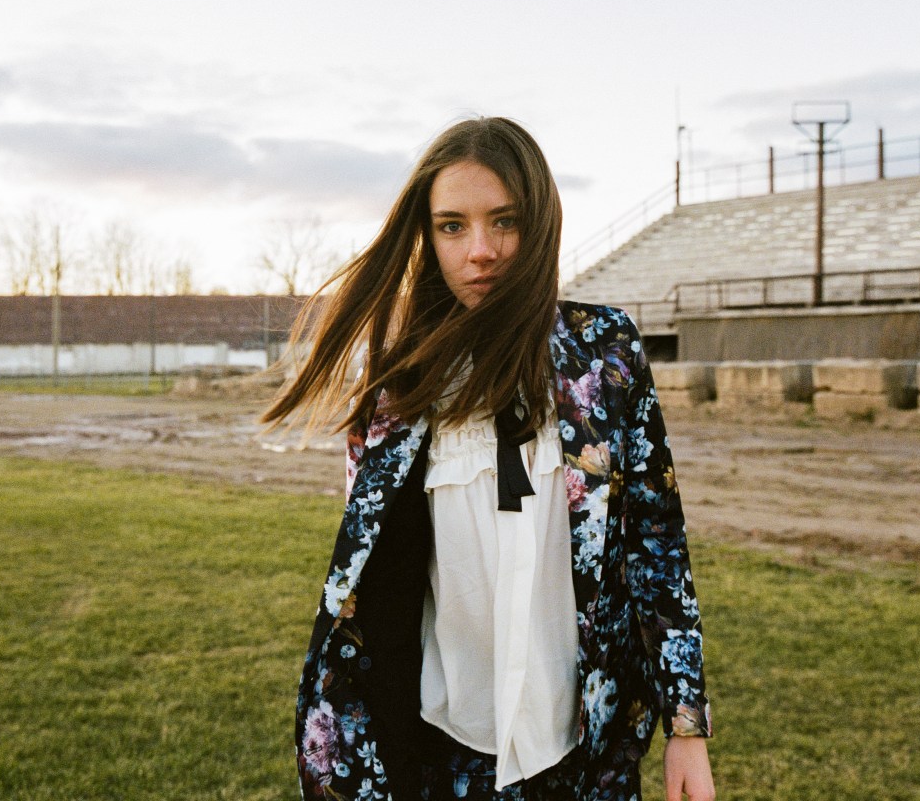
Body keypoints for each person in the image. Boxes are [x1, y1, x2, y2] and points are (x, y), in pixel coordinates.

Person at [264, 117, 714, 801]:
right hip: (443, 751)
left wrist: (687, 730)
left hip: (579, 753)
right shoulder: (399, 381)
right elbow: (378, 578)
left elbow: (656, 544)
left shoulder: (607, 352)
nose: (480, 251)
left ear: (541, 222)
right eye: (452, 226)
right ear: (427, 235)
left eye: (503, 221)